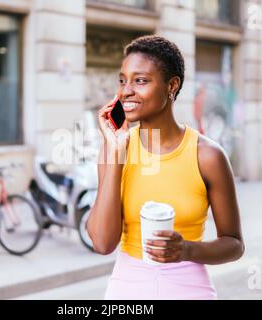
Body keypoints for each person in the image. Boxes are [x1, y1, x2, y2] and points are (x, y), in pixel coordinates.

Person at [86, 35, 245, 300]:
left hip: (189, 289)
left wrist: (186, 250)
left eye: (140, 80)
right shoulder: (114, 150)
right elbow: (103, 243)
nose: (126, 91)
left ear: (172, 85)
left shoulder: (208, 156)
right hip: (127, 291)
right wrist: (115, 153)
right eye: (123, 80)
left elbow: (234, 244)